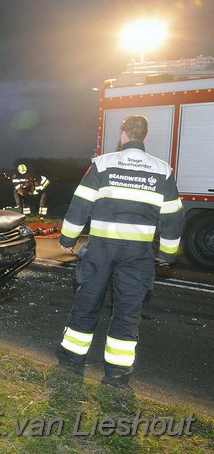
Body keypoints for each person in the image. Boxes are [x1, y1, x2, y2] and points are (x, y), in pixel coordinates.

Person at [56, 115, 183, 390]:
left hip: (101, 248)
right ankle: (116, 373)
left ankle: (71, 359)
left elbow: (80, 204)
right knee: (127, 312)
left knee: (87, 303)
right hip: (138, 254)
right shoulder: (163, 170)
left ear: (123, 134)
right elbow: (173, 216)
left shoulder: (103, 163)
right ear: (145, 137)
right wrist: (167, 254)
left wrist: (67, 238)